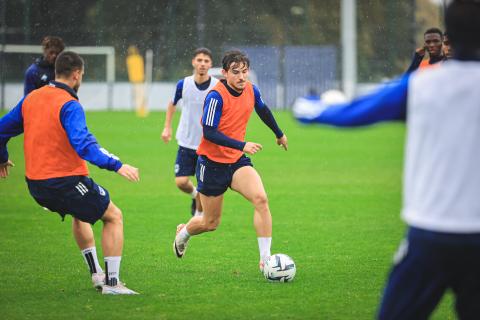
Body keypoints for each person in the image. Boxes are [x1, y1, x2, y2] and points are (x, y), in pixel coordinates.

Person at [295, 1, 480, 318]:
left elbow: (357, 112)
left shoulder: (423, 86)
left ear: (450, 38)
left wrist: (309, 108)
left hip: (429, 235)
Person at [0, 51, 140, 295]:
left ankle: (97, 274)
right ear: (76, 75)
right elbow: (84, 144)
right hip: (63, 181)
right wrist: (118, 165)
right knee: (113, 216)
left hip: (35, 185)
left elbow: (1, 130)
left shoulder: (32, 98)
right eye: (82, 75)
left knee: (81, 213)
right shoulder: (69, 104)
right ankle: (112, 284)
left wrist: (2, 158)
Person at [172, 50, 288, 272]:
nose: (242, 77)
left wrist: (279, 133)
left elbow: (263, 110)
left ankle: (266, 259)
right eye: (236, 72)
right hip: (211, 165)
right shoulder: (216, 96)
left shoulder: (251, 90)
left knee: (261, 199)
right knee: (210, 223)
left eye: (245, 72)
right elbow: (209, 132)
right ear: (225, 73)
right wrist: (242, 144)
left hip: (236, 163)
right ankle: (183, 232)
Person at [161, 48, 219, 216]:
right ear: (193, 62)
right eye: (199, 60)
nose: (202, 64)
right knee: (181, 182)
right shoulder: (183, 84)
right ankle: (195, 197)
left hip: (207, 144)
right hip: (186, 141)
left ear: (211, 65)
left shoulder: (217, 86)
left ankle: (198, 216)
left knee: (204, 183)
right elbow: (172, 103)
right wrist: (167, 127)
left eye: (206, 61)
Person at [126, 45, 148, 117]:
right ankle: (142, 111)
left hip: (135, 80)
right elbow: (141, 68)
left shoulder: (129, 59)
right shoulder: (139, 58)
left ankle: (140, 111)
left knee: (137, 97)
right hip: (140, 80)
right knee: (141, 96)